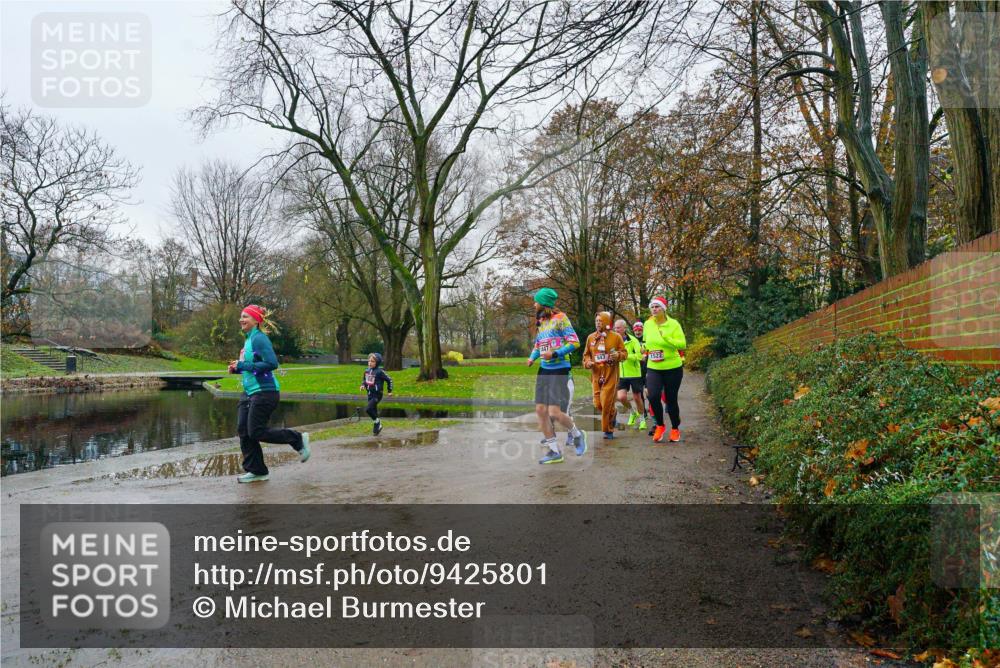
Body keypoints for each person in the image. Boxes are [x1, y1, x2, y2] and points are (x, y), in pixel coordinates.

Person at [230, 304, 310, 483]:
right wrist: (237, 368)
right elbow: (252, 368)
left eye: (246, 317)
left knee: (256, 431)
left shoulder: (259, 339)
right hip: (249, 392)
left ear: (256, 320)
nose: (241, 319)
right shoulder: (248, 339)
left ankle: (297, 439)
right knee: (244, 430)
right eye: (241, 316)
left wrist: (243, 365)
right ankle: (257, 470)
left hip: (265, 392)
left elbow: (272, 363)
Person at [527, 287, 586, 464]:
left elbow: (574, 342)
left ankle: (577, 434)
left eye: (536, 301)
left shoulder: (561, 318)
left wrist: (555, 354)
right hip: (544, 370)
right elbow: (539, 345)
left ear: (544, 302)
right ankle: (554, 451)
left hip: (559, 369)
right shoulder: (541, 322)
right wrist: (532, 357)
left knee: (555, 412)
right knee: (540, 411)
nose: (534, 304)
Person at [643, 296, 686, 443]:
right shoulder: (647, 325)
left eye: (657, 307)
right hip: (654, 367)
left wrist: (667, 338)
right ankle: (660, 425)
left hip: (673, 367)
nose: (654, 309)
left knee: (670, 399)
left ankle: (675, 428)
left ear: (664, 309)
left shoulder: (673, 324)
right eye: (652, 307)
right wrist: (644, 348)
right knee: (653, 396)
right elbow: (646, 342)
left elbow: (682, 344)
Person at [583, 312, 627, 439]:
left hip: (611, 373)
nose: (598, 323)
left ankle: (608, 430)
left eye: (600, 321)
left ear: (607, 322)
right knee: (598, 404)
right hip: (596, 375)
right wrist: (588, 363)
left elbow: (624, 353)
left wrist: (618, 355)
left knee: (606, 402)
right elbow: (586, 355)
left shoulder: (616, 337)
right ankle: (613, 413)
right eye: (596, 321)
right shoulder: (591, 338)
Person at [615, 319, 646, 431]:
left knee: (637, 397)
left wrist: (626, 356)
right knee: (621, 397)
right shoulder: (614, 341)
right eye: (615, 328)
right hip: (621, 374)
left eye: (618, 328)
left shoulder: (633, 340)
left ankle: (642, 419)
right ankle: (633, 412)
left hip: (635, 373)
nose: (616, 330)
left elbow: (640, 356)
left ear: (624, 329)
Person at [361, 352, 394, 435]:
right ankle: (377, 426)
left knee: (368, 409)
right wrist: (362, 385)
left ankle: (377, 422)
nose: (370, 363)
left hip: (377, 395)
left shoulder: (380, 372)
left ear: (377, 362)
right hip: (369, 394)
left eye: (372, 361)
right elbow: (365, 380)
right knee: (373, 411)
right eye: (369, 361)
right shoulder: (366, 371)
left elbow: (389, 380)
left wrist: (389, 391)